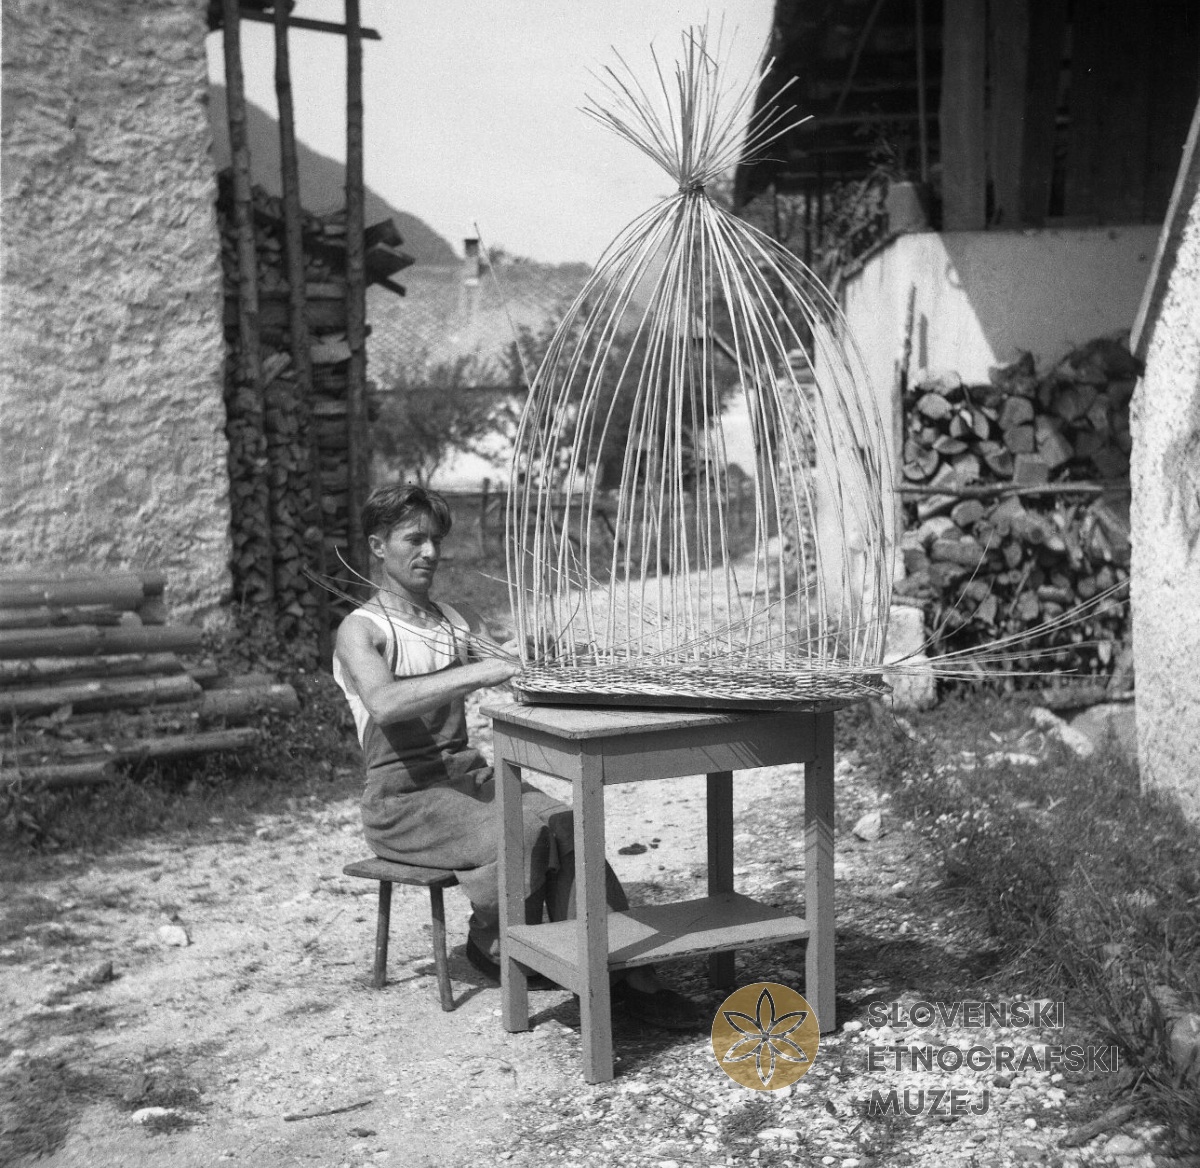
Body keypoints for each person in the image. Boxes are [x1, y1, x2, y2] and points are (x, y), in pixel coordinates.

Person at [333, 482, 700, 1030]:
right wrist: (485, 669)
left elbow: (512, 670)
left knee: (567, 821)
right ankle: (497, 942)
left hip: (466, 781)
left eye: (436, 541)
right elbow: (384, 703)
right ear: (378, 546)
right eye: (414, 540)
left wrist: (552, 658)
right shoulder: (362, 630)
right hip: (403, 803)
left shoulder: (454, 621)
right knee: (523, 829)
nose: (430, 552)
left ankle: (624, 973)